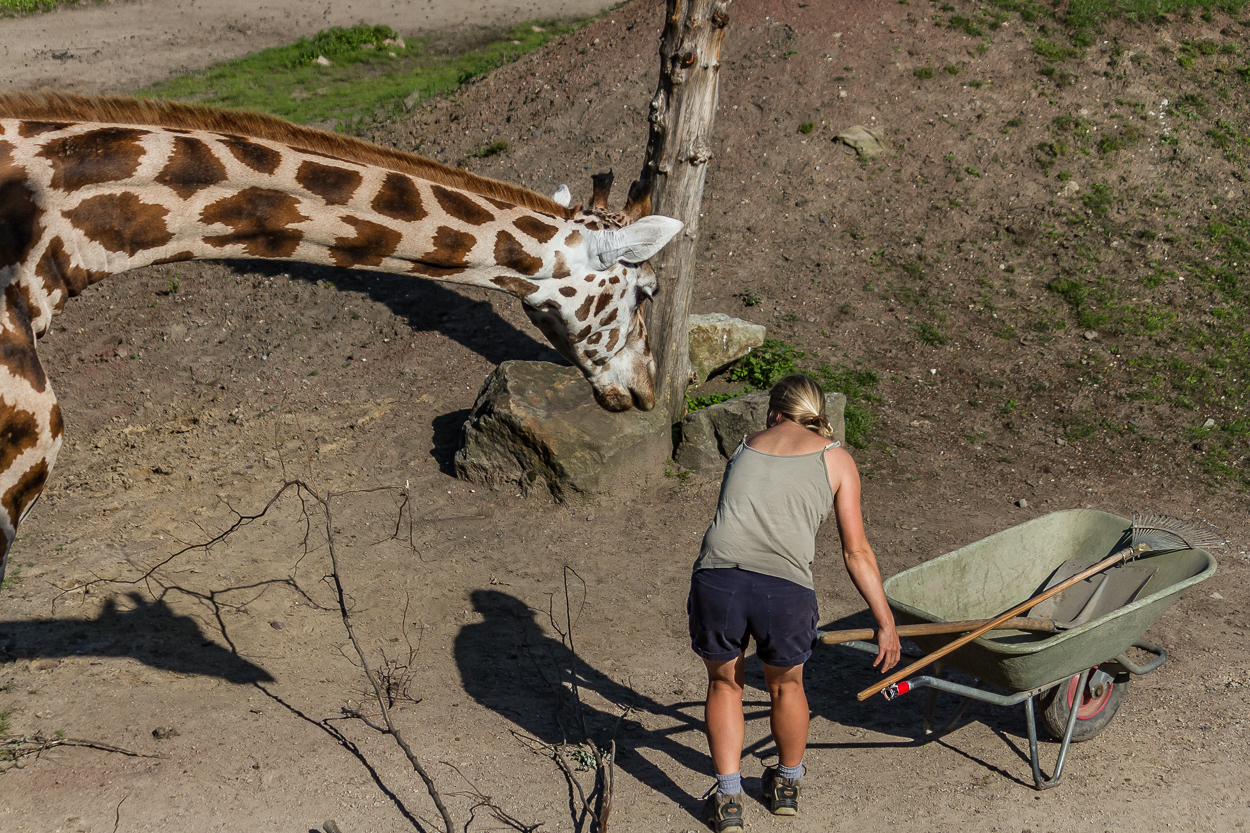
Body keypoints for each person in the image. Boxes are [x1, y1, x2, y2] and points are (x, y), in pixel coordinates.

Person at [687, 374, 901, 830]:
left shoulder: (745, 446)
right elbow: (855, 550)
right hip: (782, 590)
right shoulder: (837, 459)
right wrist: (884, 620)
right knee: (787, 686)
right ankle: (786, 784)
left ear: (774, 411)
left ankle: (728, 801)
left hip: (718, 581)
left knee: (725, 685)